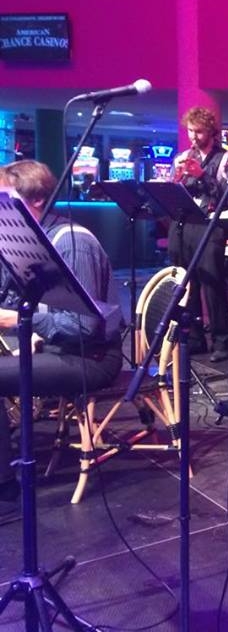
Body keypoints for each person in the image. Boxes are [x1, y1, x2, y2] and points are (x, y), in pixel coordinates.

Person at [0, 160, 123, 521]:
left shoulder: (72, 243)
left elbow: (84, 328)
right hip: (57, 347)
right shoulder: (29, 240)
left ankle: (4, 490)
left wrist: (19, 321)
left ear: (35, 200)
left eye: (5, 201)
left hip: (91, 358)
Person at [169, 106, 228, 363]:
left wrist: (202, 175)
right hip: (183, 224)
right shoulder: (183, 156)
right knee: (185, 284)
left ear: (211, 132)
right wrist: (176, 180)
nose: (193, 137)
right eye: (190, 131)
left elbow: (226, 196)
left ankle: (222, 341)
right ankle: (194, 338)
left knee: (212, 284)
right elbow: (174, 192)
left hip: (210, 225)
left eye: (199, 132)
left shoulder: (226, 158)